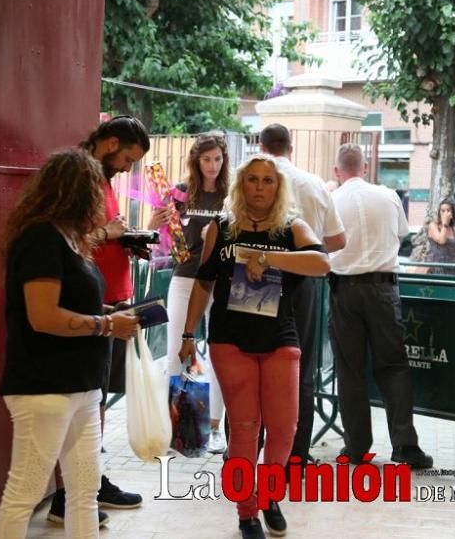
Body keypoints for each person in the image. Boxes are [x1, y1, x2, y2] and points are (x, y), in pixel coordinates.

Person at [178, 154, 331, 539]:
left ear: (278, 187)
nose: (260, 187)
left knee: (284, 429)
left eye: (267, 181)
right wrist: (187, 335)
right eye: (252, 180)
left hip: (281, 338)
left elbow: (321, 264)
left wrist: (265, 256)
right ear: (240, 186)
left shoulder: (291, 227)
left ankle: (269, 496)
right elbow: (203, 283)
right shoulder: (222, 229)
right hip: (231, 340)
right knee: (245, 428)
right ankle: (247, 513)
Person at [0, 149, 140, 537]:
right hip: (45, 385)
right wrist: (107, 323)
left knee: (84, 492)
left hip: (82, 383)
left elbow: (72, 303)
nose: (102, 199)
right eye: (96, 189)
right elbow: (42, 317)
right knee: (24, 492)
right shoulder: (40, 240)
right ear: (77, 192)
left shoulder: (72, 241)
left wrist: (110, 313)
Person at [47, 116, 153, 525]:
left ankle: (88, 482)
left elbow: (100, 234)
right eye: (127, 157)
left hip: (111, 296)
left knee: (98, 402)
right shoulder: (79, 181)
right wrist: (110, 234)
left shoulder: (104, 180)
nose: (128, 167)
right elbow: (70, 242)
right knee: (80, 401)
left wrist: (127, 242)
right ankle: (65, 493)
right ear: (109, 144)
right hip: (89, 303)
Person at [328, 144, 434, 470]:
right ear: (364, 167)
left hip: (344, 290)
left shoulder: (331, 200)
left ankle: (357, 447)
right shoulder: (388, 196)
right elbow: (401, 233)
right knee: (393, 367)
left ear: (337, 172)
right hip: (383, 289)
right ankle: (405, 445)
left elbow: (324, 240)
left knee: (350, 371)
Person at [259, 124, 346, 471]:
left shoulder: (250, 177)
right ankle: (296, 453)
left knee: (256, 360)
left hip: (256, 277)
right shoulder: (312, 183)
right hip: (303, 280)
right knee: (301, 366)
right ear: (290, 148)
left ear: (263, 146)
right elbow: (338, 241)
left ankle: (252, 444)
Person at [164, 134, 230, 453]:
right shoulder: (180, 192)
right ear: (196, 160)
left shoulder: (230, 194)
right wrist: (161, 221)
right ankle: (174, 427)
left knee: (220, 351)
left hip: (220, 281)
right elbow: (167, 237)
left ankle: (215, 428)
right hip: (185, 277)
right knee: (176, 348)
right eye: (206, 160)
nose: (212, 166)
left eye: (217, 159)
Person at [425, 199, 455, 272]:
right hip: (435, 267)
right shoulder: (433, 226)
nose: (445, 213)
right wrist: (445, 224)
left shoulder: (453, 228)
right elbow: (441, 240)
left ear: (452, 213)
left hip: (450, 267)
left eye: (448, 210)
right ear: (439, 213)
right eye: (443, 211)